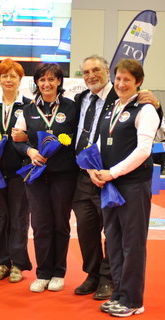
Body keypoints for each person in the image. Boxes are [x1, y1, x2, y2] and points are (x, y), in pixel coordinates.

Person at [72, 55, 162, 300]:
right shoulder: (110, 107)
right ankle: (118, 294)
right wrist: (92, 167)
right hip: (102, 180)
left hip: (130, 183)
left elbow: (144, 149)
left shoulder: (144, 107)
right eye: (119, 79)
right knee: (112, 239)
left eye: (127, 80)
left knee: (131, 243)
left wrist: (111, 172)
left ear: (139, 82)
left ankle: (131, 298)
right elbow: (100, 142)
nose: (121, 83)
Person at [13, 63, 79, 293]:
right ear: (37, 83)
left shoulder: (73, 107)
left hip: (64, 175)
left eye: (52, 79)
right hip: (36, 176)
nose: (47, 84)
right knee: (40, 225)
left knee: (60, 224)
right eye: (42, 80)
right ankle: (42, 273)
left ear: (59, 81)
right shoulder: (28, 110)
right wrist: (30, 151)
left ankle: (58, 272)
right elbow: (16, 141)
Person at [0, 58, 32, 283]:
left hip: (21, 172)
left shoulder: (30, 106)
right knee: (0, 217)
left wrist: (27, 138)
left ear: (20, 79)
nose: (8, 80)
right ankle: (2, 262)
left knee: (19, 218)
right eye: (4, 75)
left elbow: (36, 136)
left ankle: (18, 264)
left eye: (13, 76)